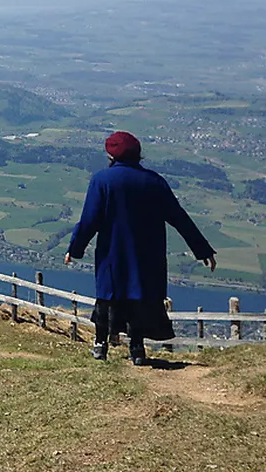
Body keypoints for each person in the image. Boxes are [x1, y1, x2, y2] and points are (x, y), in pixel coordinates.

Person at [65, 131, 217, 365]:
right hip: (147, 256)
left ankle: (100, 345)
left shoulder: (102, 180)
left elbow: (89, 221)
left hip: (112, 253)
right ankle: (137, 349)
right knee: (138, 298)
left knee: (106, 298)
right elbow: (179, 218)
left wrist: (75, 248)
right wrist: (202, 249)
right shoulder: (155, 182)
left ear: (110, 155)